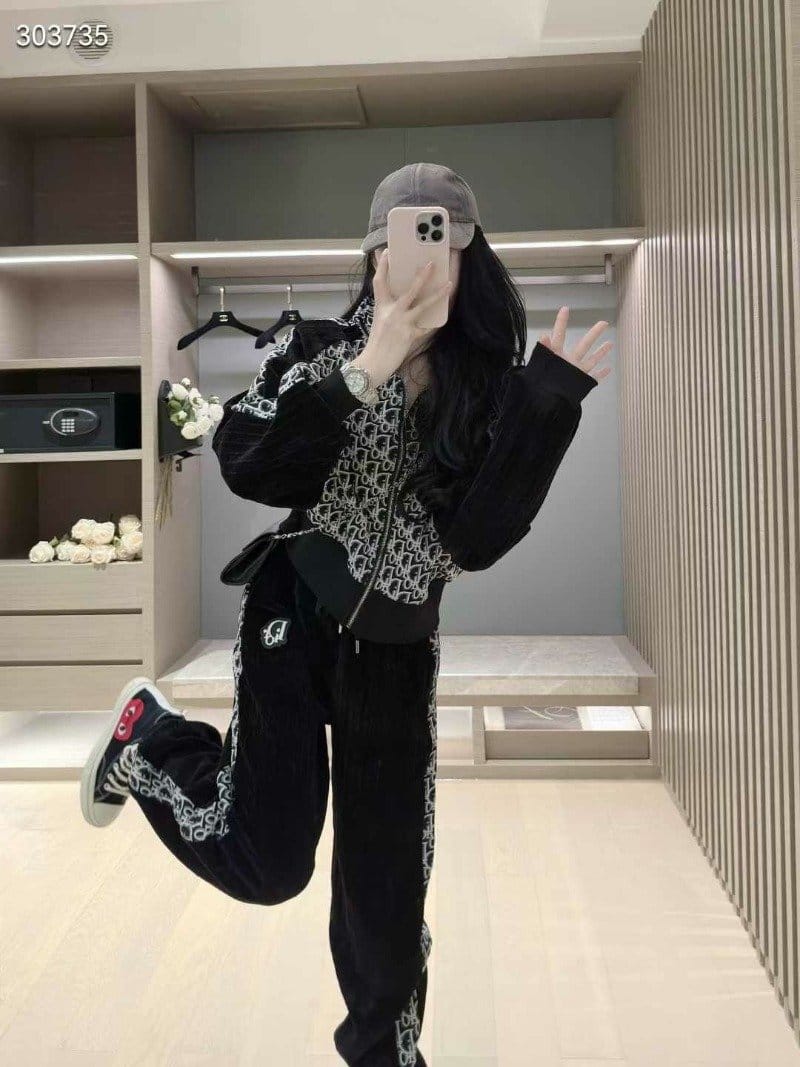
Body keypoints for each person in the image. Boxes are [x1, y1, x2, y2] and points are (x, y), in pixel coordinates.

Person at [79, 162, 612, 1067]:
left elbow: (473, 542)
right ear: (373, 256)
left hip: (397, 652)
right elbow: (249, 462)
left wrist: (544, 411)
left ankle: (385, 1056)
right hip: (295, 614)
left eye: (443, 242)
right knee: (267, 860)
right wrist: (371, 364)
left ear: (470, 256)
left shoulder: (490, 387)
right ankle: (150, 742)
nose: (420, 261)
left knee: (387, 889)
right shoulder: (317, 348)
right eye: (400, 243)